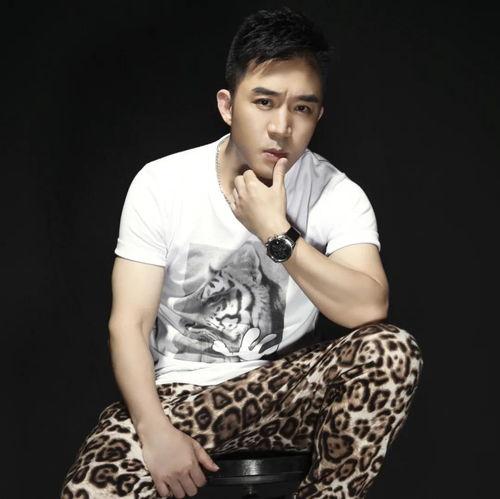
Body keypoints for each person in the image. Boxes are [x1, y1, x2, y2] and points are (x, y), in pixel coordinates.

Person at [60, 7, 423, 499]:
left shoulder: (336, 194)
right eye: (264, 102)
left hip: (286, 391)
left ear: (318, 116)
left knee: (391, 351)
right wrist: (155, 430)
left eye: (302, 108)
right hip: (180, 399)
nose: (282, 127)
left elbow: (367, 308)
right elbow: (129, 324)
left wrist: (275, 231)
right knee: (90, 488)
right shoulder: (162, 183)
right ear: (228, 106)